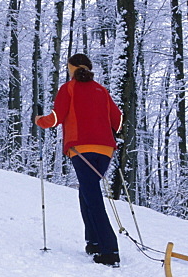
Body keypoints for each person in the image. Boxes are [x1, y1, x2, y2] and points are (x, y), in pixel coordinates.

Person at [36, 54, 123, 266]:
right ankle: (93, 243)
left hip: (81, 148)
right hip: (105, 150)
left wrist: (39, 120)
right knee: (87, 192)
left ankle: (109, 250)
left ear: (72, 68)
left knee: (92, 196)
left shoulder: (69, 88)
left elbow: (56, 118)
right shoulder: (101, 90)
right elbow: (118, 119)